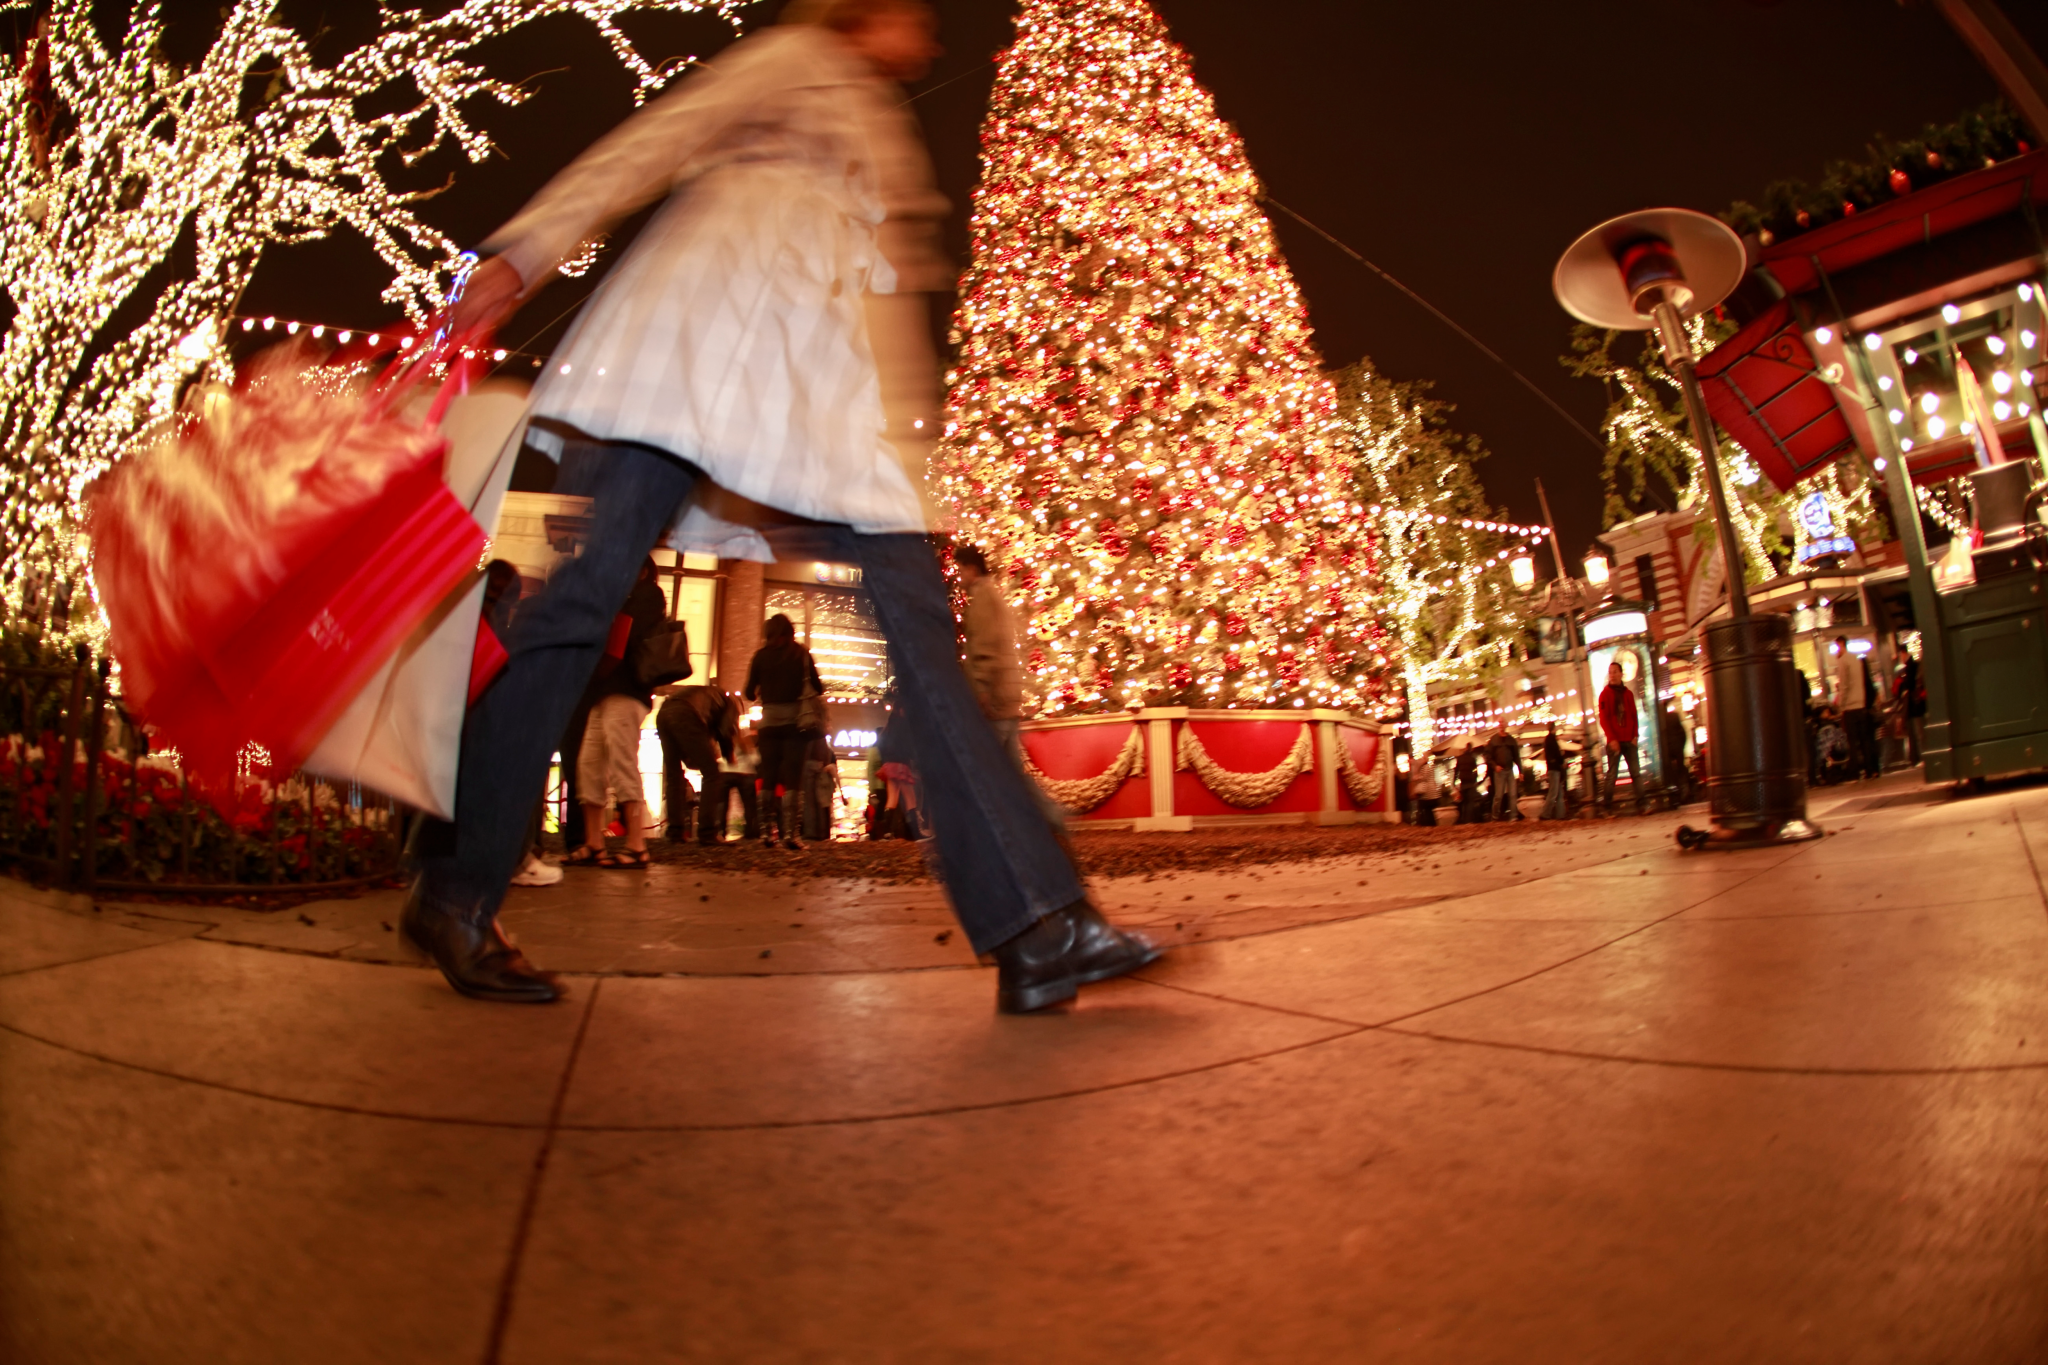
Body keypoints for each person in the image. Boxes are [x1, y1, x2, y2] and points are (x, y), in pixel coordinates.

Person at [404, 0, 1158, 1010]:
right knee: (577, 615)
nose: (926, 38)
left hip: (819, 408)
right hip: (682, 360)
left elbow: (880, 293)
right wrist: (523, 254)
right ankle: (455, 887)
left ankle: (1037, 923)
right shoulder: (792, 58)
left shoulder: (876, 118)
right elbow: (656, 140)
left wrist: (899, 453)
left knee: (917, 633)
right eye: (912, 14)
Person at [564, 556, 665, 869]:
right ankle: (594, 842)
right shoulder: (621, 598)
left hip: (626, 688)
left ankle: (637, 844)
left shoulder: (647, 595)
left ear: (642, 570)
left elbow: (629, 634)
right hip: (602, 690)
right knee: (588, 764)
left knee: (622, 760)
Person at [745, 613, 824, 851]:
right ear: (791, 632)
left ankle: (766, 834)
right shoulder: (801, 653)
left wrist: (766, 690)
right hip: (795, 725)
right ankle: (791, 835)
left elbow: (749, 692)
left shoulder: (760, 656)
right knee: (793, 779)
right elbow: (818, 687)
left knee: (767, 776)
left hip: (768, 724)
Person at [657, 681, 738, 843]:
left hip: (664, 712)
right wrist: (729, 756)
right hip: (686, 713)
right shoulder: (730, 703)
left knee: (674, 776)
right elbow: (724, 731)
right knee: (712, 774)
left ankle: (675, 831)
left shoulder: (705, 695)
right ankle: (707, 832)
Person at [1831, 636, 1879, 779]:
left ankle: (1855, 771)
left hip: (1850, 706)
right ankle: (1870, 769)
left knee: (1852, 740)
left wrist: (1840, 705)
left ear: (1840, 645)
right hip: (1861, 704)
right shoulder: (1856, 660)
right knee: (1865, 739)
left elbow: (1845, 685)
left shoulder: (1843, 661)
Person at [1597, 661, 1642, 815]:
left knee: (1636, 773)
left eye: (1615, 671)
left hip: (1629, 739)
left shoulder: (1628, 694)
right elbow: (1604, 719)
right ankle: (1607, 808)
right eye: (1611, 672)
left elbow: (1633, 716)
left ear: (1621, 674)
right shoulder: (1605, 695)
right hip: (1614, 740)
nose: (1613, 675)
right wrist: (1612, 738)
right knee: (1612, 775)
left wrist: (1635, 735)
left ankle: (1642, 804)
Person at [1484, 723, 1524, 822]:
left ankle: (1513, 816)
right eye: (1500, 724)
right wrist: (1495, 766)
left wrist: (1521, 771)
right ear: (1498, 726)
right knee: (1498, 796)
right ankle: (1495, 817)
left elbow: (1516, 756)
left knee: (1513, 794)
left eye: (1503, 724)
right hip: (1499, 771)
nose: (1501, 726)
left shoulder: (1511, 740)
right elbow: (1488, 756)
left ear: (1505, 726)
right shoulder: (1493, 740)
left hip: (1509, 769)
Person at [1540, 722, 1569, 821]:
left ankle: (1561, 814)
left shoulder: (1548, 740)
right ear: (1554, 728)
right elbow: (1556, 754)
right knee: (1554, 792)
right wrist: (1561, 759)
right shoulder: (1551, 740)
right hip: (1555, 769)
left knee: (1558, 792)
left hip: (1553, 768)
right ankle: (1545, 814)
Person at [1453, 741, 1483, 824]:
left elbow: (1456, 770)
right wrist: (1475, 780)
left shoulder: (1460, 758)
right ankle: (1468, 820)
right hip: (1470, 783)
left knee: (1464, 802)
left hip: (1463, 783)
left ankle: (1463, 819)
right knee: (1470, 802)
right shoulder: (1472, 759)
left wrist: (1454, 782)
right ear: (1471, 749)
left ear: (1465, 748)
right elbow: (1475, 770)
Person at [1410, 751, 1440, 827]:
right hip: (1431, 791)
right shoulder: (1430, 766)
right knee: (1429, 811)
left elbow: (1424, 777)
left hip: (1428, 792)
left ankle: (1428, 825)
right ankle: (1431, 825)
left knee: (1426, 809)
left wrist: (1416, 777)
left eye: (1423, 757)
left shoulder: (1426, 766)